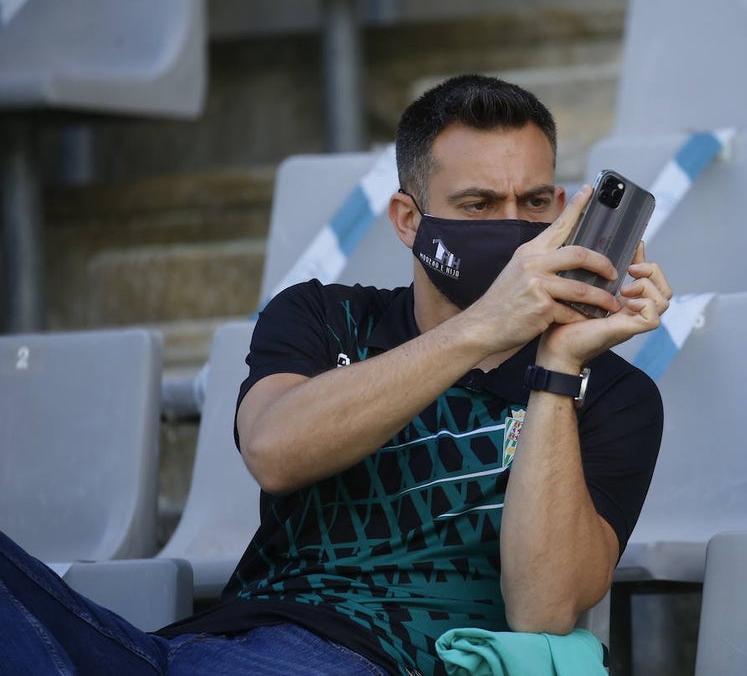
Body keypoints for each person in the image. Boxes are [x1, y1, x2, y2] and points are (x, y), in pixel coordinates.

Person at [0, 75, 669, 676]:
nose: (512, 227)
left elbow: (544, 606)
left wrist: (555, 364)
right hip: (208, 648)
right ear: (409, 221)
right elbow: (274, 450)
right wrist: (479, 329)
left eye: (532, 204)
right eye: (476, 204)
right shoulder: (322, 315)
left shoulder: (610, 393)